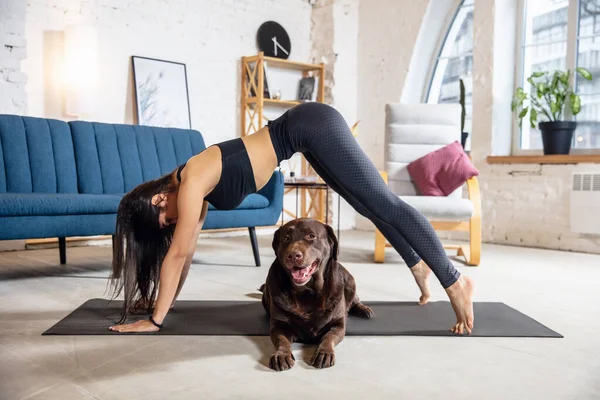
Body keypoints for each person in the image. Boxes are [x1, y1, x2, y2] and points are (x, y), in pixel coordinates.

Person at [108, 102, 474, 335]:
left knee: (386, 203)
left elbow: (173, 254)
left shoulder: (190, 183)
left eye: (164, 221)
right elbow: (184, 255)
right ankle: (417, 264)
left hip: (311, 124)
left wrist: (154, 323)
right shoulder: (195, 189)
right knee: (368, 206)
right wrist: (162, 306)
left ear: (159, 198)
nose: (172, 225)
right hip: (304, 135)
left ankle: (455, 282)